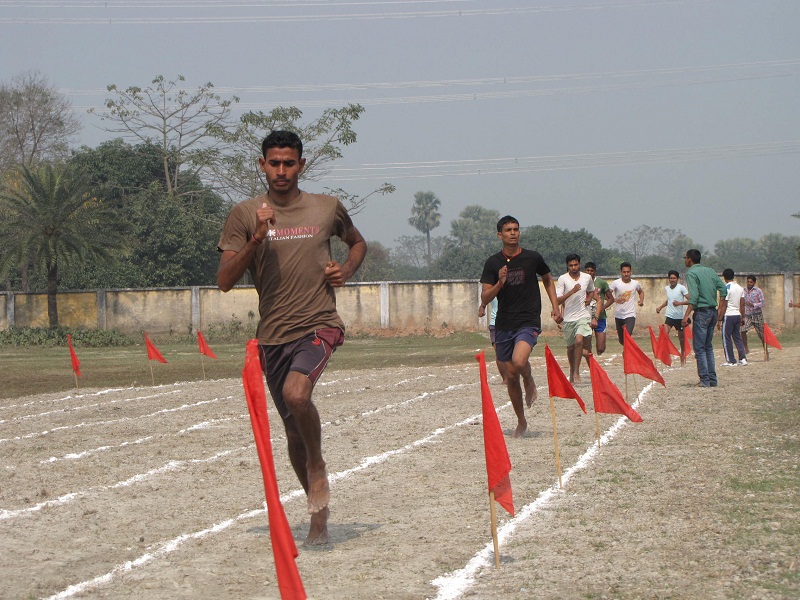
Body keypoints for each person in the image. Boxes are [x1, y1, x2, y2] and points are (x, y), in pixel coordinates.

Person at [216, 130, 367, 545]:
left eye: (289, 163)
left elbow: (357, 242)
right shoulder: (244, 214)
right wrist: (257, 237)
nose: (281, 170)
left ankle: (317, 464)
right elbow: (225, 280)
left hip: (319, 323)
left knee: (297, 395)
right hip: (273, 336)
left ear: (301, 164)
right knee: (292, 432)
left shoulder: (326, 207)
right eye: (274, 163)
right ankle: (318, 513)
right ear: (262, 165)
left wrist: (346, 270)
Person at [480, 215, 561, 438]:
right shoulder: (493, 263)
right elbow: (485, 297)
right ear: (500, 235)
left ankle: (529, 377)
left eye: (516, 229)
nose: (513, 233)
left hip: (528, 321)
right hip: (504, 324)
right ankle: (521, 420)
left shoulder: (532, 257)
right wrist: (500, 283)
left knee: (518, 362)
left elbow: (547, 279)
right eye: (508, 230)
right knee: (511, 375)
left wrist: (555, 306)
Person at [681, 249, 728, 387]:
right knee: (708, 347)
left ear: (690, 259)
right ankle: (712, 379)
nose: (685, 260)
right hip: (713, 311)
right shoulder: (710, 271)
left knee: (700, 348)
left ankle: (705, 380)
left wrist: (686, 315)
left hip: (702, 312)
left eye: (685, 258)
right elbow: (723, 290)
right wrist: (721, 307)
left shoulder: (691, 273)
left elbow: (694, 297)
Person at [555, 254, 596, 383]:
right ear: (567, 266)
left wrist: (589, 299)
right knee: (571, 347)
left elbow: (591, 290)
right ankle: (572, 370)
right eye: (571, 265)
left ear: (579, 264)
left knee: (579, 340)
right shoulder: (562, 279)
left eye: (576, 265)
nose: (574, 267)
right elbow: (558, 300)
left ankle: (577, 372)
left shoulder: (586, 277)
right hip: (568, 318)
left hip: (583, 315)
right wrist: (572, 291)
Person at [655, 270, 690, 366]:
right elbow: (669, 301)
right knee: (665, 335)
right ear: (669, 279)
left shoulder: (681, 288)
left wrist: (679, 303)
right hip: (669, 316)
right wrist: (660, 307)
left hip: (679, 317)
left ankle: (683, 355)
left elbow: (690, 300)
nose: (672, 280)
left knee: (681, 339)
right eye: (671, 278)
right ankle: (666, 356)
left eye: (674, 278)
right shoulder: (667, 288)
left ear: (677, 279)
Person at [607, 262, 644, 345]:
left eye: (628, 272)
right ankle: (625, 348)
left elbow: (641, 292)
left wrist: (641, 301)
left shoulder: (635, 283)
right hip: (619, 315)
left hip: (630, 315)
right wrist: (615, 300)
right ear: (621, 272)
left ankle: (627, 351)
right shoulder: (616, 283)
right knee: (622, 340)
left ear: (631, 272)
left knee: (627, 336)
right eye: (624, 272)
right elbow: (607, 295)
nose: (626, 274)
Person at [718, 268, 747, 366]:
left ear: (724, 277)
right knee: (737, 337)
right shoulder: (740, 288)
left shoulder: (726, 288)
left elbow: (724, 305)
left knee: (726, 338)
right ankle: (742, 358)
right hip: (737, 315)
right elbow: (742, 304)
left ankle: (730, 360)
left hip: (728, 315)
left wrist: (719, 319)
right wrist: (743, 317)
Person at [478, 297, 507, 383]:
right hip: (496, 324)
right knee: (499, 352)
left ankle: (508, 377)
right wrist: (482, 307)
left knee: (503, 352)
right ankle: (506, 379)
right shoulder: (494, 291)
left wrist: (482, 307)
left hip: (506, 323)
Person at [584, 262, 611, 355]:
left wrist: (602, 307)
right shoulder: (581, 282)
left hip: (600, 317)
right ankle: (590, 359)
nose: (589, 272)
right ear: (584, 271)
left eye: (591, 271)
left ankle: (599, 348)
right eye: (587, 270)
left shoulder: (601, 283)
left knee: (600, 348)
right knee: (586, 347)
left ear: (595, 272)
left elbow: (611, 298)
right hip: (586, 316)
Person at [742, 275, 765, 354]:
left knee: (762, 334)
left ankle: (765, 350)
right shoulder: (743, 290)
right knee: (742, 330)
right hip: (747, 315)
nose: (749, 283)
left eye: (751, 282)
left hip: (757, 315)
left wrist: (753, 305)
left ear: (754, 283)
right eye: (748, 282)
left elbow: (762, 303)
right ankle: (746, 348)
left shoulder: (758, 291)